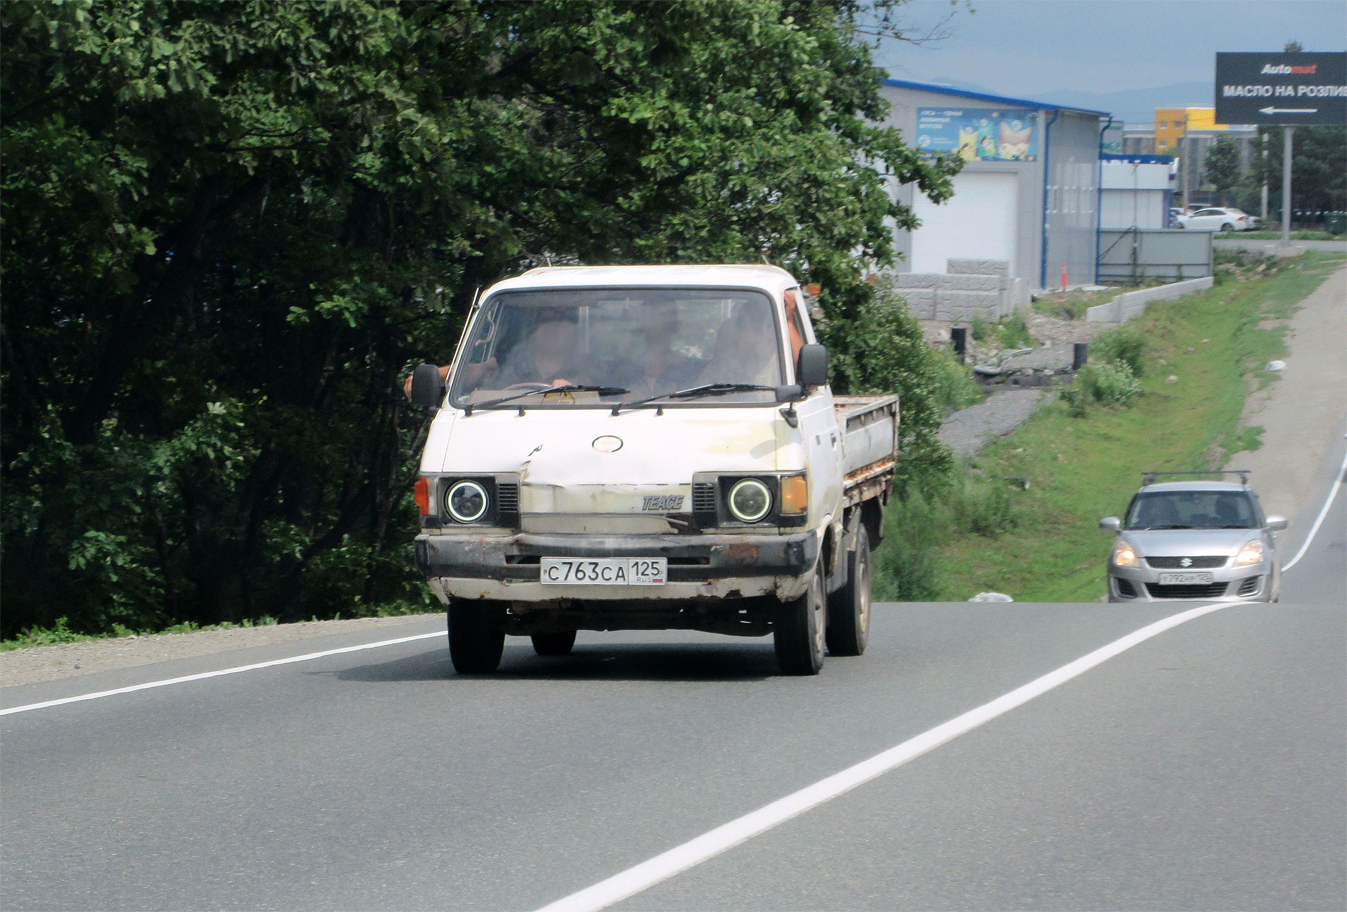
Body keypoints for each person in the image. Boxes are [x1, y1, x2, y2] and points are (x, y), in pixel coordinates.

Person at [610, 301, 704, 398]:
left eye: (664, 317)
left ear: (675, 325)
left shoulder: (693, 370)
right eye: (651, 316)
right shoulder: (623, 371)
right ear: (640, 324)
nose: (658, 323)